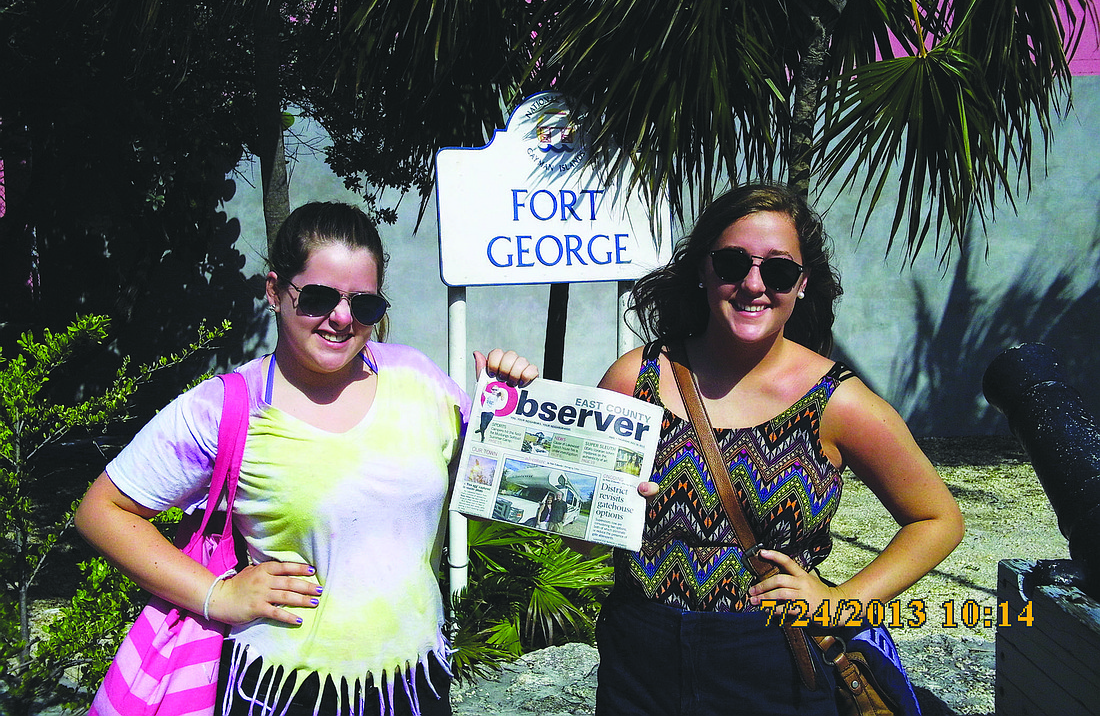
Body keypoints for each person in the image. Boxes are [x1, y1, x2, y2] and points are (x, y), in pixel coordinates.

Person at [75, 201, 537, 716]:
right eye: (318, 298)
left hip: (416, 684)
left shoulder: (419, 379)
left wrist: (513, 411)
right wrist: (216, 596)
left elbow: (499, 484)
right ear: (275, 291)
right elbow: (101, 512)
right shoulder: (228, 407)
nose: (341, 318)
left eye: (363, 305)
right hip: (285, 692)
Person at [594, 183, 964, 715]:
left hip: (773, 663)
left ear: (803, 284)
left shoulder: (837, 403)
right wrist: (511, 402)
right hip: (641, 658)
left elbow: (936, 518)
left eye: (778, 270)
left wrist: (844, 603)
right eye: (732, 263)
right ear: (703, 271)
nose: (753, 284)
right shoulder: (637, 378)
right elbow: (574, 533)